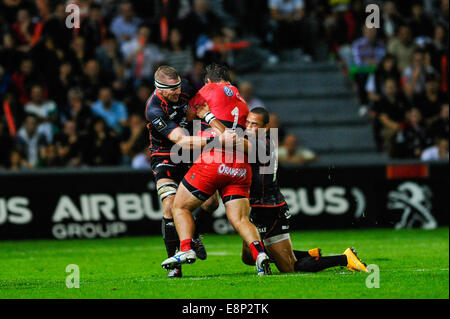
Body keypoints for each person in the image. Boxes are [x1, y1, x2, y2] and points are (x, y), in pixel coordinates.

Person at [161, 63, 273, 276]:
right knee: (241, 220)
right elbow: (242, 138)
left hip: (214, 160)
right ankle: (259, 254)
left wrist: (206, 117)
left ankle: (186, 249)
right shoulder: (242, 101)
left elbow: (189, 114)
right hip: (241, 166)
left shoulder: (209, 89)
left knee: (180, 207)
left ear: (208, 81)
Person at [240, 107, 368, 273]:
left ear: (265, 128)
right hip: (259, 206)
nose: (249, 127)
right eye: (248, 122)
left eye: (254, 124)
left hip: (269, 210)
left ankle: (345, 258)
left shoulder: (260, 144)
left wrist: (210, 120)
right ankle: (307, 254)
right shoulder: (258, 141)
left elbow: (229, 142)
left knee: (290, 268)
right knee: (249, 256)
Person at [145, 65, 219, 278]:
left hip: (190, 151)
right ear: (159, 88)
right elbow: (180, 140)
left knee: (212, 202)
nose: (178, 92)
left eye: (178, 86)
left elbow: (203, 106)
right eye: (172, 89)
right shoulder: (154, 109)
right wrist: (214, 137)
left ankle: (193, 233)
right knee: (169, 205)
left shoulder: (184, 88)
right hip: (165, 154)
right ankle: (175, 264)